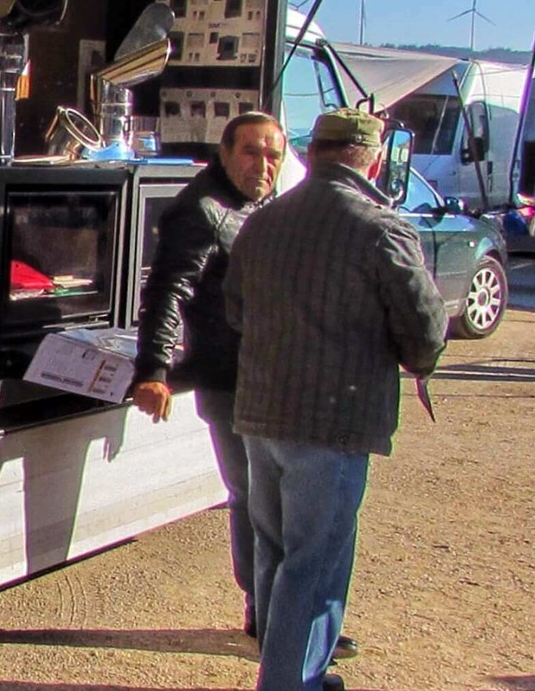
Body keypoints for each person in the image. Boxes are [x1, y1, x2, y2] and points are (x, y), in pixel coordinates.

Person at [225, 109, 448, 691]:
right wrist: (418, 361)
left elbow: (235, 312)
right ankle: (290, 682)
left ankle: (295, 673)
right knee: (315, 561)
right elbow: (424, 325)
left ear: (316, 151)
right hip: (332, 419)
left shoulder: (263, 221)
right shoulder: (379, 225)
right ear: (370, 158)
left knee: (275, 553)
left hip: (260, 411)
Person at [133, 112, 369, 657]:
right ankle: (273, 619)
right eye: (251, 153)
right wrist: (154, 370)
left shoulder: (255, 205)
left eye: (274, 155)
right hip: (229, 379)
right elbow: (168, 292)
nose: (264, 165)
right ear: (224, 151)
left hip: (265, 378)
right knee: (257, 507)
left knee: (273, 508)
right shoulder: (202, 211)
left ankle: (283, 620)